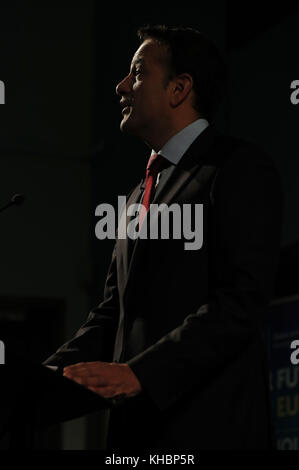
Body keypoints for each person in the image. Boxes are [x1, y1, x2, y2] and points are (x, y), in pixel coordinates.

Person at [44, 25, 283, 450]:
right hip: (135, 440)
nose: (121, 87)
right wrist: (34, 388)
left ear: (179, 89)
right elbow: (112, 316)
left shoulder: (239, 168)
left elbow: (240, 302)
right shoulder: (139, 194)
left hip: (208, 434)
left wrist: (142, 374)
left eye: (136, 73)